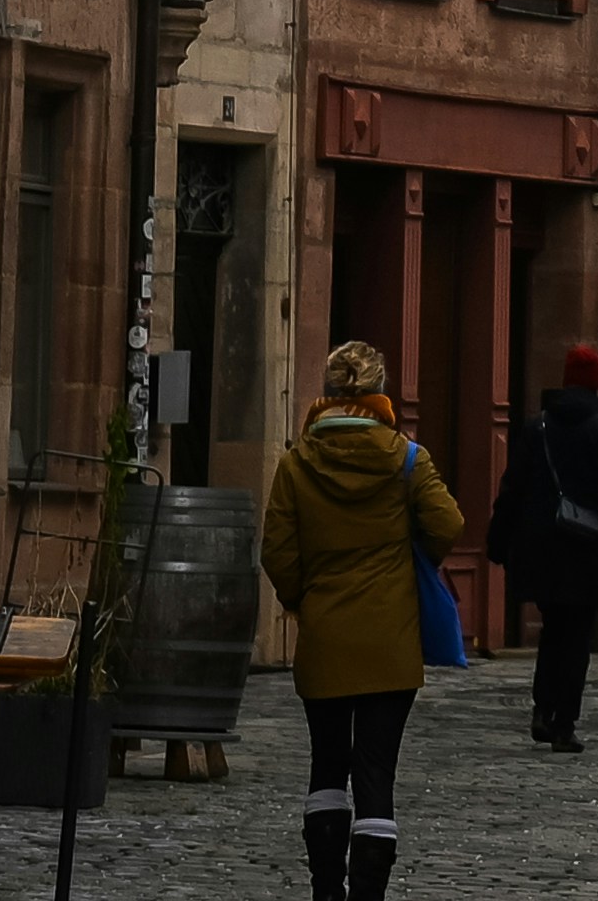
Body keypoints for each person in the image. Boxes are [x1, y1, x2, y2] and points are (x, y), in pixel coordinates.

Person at [261, 337, 466, 901]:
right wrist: (409, 558)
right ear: (380, 392)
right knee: (375, 771)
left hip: (326, 636)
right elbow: (448, 523)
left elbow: (276, 551)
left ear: (327, 393)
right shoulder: (405, 459)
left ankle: (326, 888)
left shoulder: (296, 464)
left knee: (327, 765)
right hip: (389, 642)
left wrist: (305, 598)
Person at [483, 342, 598, 749]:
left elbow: (512, 490)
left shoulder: (537, 427)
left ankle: (543, 707)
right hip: (585, 545)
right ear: (597, 385)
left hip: (540, 546)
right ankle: (563, 721)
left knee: (553, 629)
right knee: (576, 637)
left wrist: (498, 542)